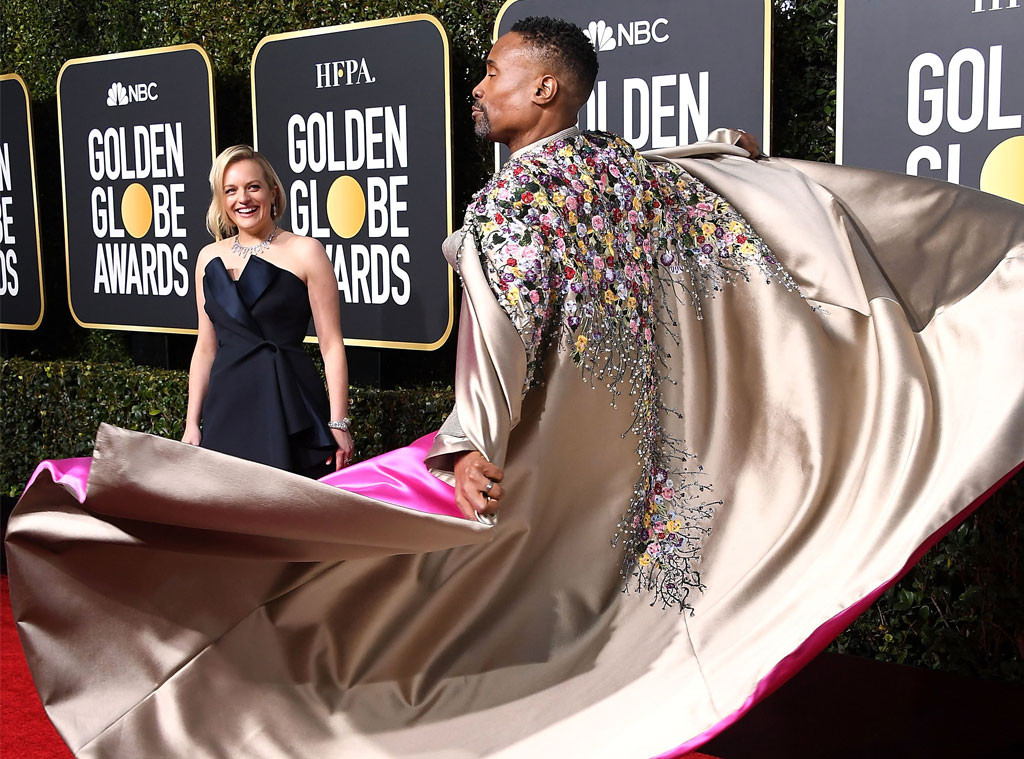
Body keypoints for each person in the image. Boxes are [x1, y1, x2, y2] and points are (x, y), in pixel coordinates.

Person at [6, 17, 1023, 759]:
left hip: (550, 470)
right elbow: (728, 180)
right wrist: (723, 152)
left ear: (547, 91)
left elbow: (500, 331)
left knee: (337, 576)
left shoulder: (509, 207)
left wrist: (464, 439)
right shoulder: (632, 177)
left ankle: (204, 680)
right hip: (643, 479)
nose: (477, 86)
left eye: (494, 71)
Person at [182, 145, 353, 475]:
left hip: (287, 403)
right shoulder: (207, 257)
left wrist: (338, 421)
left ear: (273, 193)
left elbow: (331, 344)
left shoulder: (306, 251)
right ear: (221, 200)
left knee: (291, 515)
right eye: (230, 190)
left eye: (253, 187)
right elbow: (205, 349)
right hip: (226, 406)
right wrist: (192, 423)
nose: (242, 199)